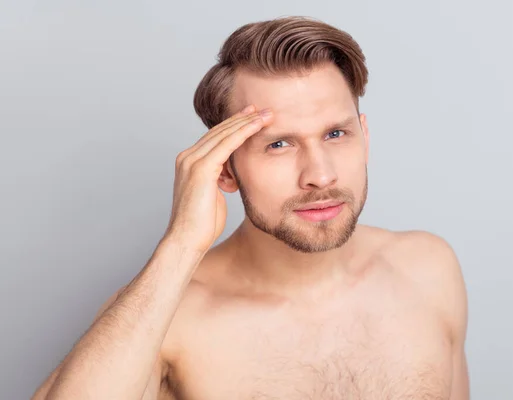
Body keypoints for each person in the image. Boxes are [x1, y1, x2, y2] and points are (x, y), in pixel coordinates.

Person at [33, 16, 470, 400]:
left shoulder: (429, 269)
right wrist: (182, 243)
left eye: (336, 135)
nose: (319, 175)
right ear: (223, 169)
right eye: (278, 144)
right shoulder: (167, 317)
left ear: (364, 135)